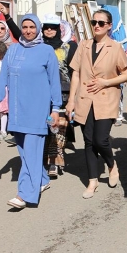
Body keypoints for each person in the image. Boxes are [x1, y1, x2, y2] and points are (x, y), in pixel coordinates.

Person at [0, 14, 61, 209]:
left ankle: (24, 194)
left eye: (32, 27)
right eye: (24, 27)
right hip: (17, 111)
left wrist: (56, 109)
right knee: (26, 152)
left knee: (32, 151)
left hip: (38, 110)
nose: (28, 31)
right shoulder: (13, 51)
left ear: (38, 29)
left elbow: (55, 82)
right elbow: (3, 78)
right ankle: (43, 180)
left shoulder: (46, 51)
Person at [66, 10, 127, 198]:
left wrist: (106, 82)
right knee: (88, 141)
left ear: (109, 26)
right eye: (94, 22)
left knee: (100, 139)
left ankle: (111, 165)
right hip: (85, 99)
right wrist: (71, 101)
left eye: (101, 23)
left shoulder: (115, 47)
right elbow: (76, 73)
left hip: (106, 98)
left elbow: (126, 74)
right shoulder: (84, 46)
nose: (96, 26)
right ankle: (92, 181)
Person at [42, 14, 78, 177]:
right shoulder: (37, 48)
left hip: (62, 95)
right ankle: (45, 159)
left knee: (57, 130)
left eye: (53, 27)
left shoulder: (68, 48)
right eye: (46, 27)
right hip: (41, 95)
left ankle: (54, 163)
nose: (49, 30)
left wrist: (73, 99)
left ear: (58, 30)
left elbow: (74, 73)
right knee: (45, 128)